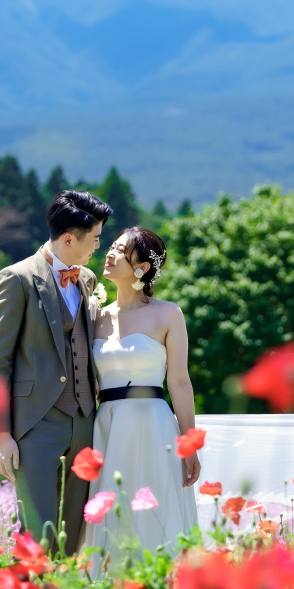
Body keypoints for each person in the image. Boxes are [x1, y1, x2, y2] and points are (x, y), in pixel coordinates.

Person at [0, 189, 113, 554]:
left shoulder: (87, 280)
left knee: (77, 528)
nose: (97, 248)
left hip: (85, 419)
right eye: (95, 240)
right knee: (36, 533)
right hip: (34, 422)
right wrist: (2, 434)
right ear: (69, 238)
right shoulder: (17, 278)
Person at [82, 227, 199, 565]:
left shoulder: (168, 314)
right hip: (107, 425)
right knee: (110, 506)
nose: (110, 253)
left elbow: (179, 381)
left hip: (154, 425)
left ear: (141, 268)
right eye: (112, 246)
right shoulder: (95, 318)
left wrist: (189, 442)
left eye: (120, 250)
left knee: (155, 504)